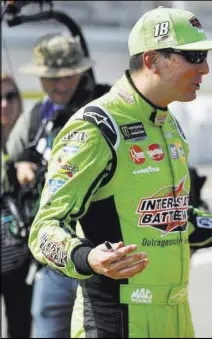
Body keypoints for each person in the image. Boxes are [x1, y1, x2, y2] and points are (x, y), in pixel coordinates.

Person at [27, 6, 212, 338]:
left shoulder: (169, 124)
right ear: (151, 60)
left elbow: (170, 220)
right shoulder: (96, 128)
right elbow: (43, 230)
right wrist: (87, 257)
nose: (205, 67)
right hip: (116, 320)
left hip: (176, 315)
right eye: (194, 56)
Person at [5, 33, 111, 338]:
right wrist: (19, 166)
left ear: (80, 70)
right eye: (50, 77)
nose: (59, 84)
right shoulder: (38, 117)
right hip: (52, 258)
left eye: (66, 75)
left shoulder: (105, 107)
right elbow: (10, 161)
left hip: (101, 252)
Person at [1, 73, 34, 338]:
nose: (4, 104)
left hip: (22, 258)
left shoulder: (32, 138)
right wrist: (13, 169)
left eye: (10, 96)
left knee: (20, 326)